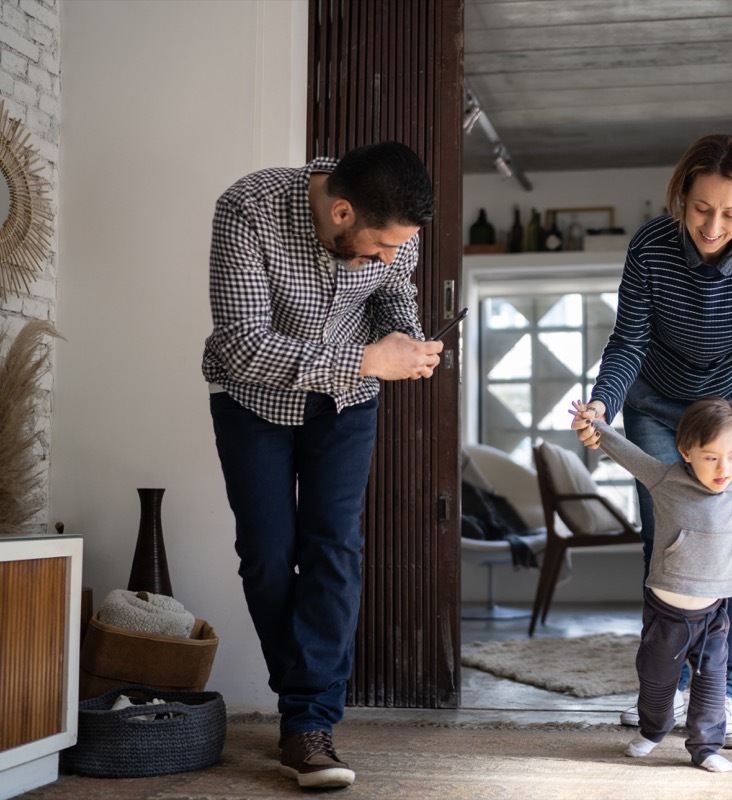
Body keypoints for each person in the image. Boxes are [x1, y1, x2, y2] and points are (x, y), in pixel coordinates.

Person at [202, 141, 444, 789]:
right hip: (253, 399)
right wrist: (369, 359)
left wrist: (407, 339)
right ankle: (301, 698)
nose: (392, 256)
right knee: (266, 554)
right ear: (340, 212)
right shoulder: (247, 210)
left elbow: (393, 291)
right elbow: (244, 347)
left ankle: (309, 723)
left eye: (400, 246)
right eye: (381, 244)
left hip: (347, 405)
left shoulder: (394, 228)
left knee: (334, 547)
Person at [577, 133, 732, 748]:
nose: (713, 225)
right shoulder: (651, 246)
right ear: (682, 197)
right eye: (702, 209)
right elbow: (630, 342)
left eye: (731, 213)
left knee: (728, 542)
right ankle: (664, 690)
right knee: (665, 538)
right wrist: (603, 402)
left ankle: (724, 696)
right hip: (656, 405)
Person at [572, 395, 732, 772]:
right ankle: (652, 731)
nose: (723, 467)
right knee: (658, 684)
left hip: (714, 616)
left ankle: (706, 748)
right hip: (667, 615)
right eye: (711, 457)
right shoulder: (664, 479)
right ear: (686, 451)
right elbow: (627, 453)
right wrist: (595, 423)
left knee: (711, 686)